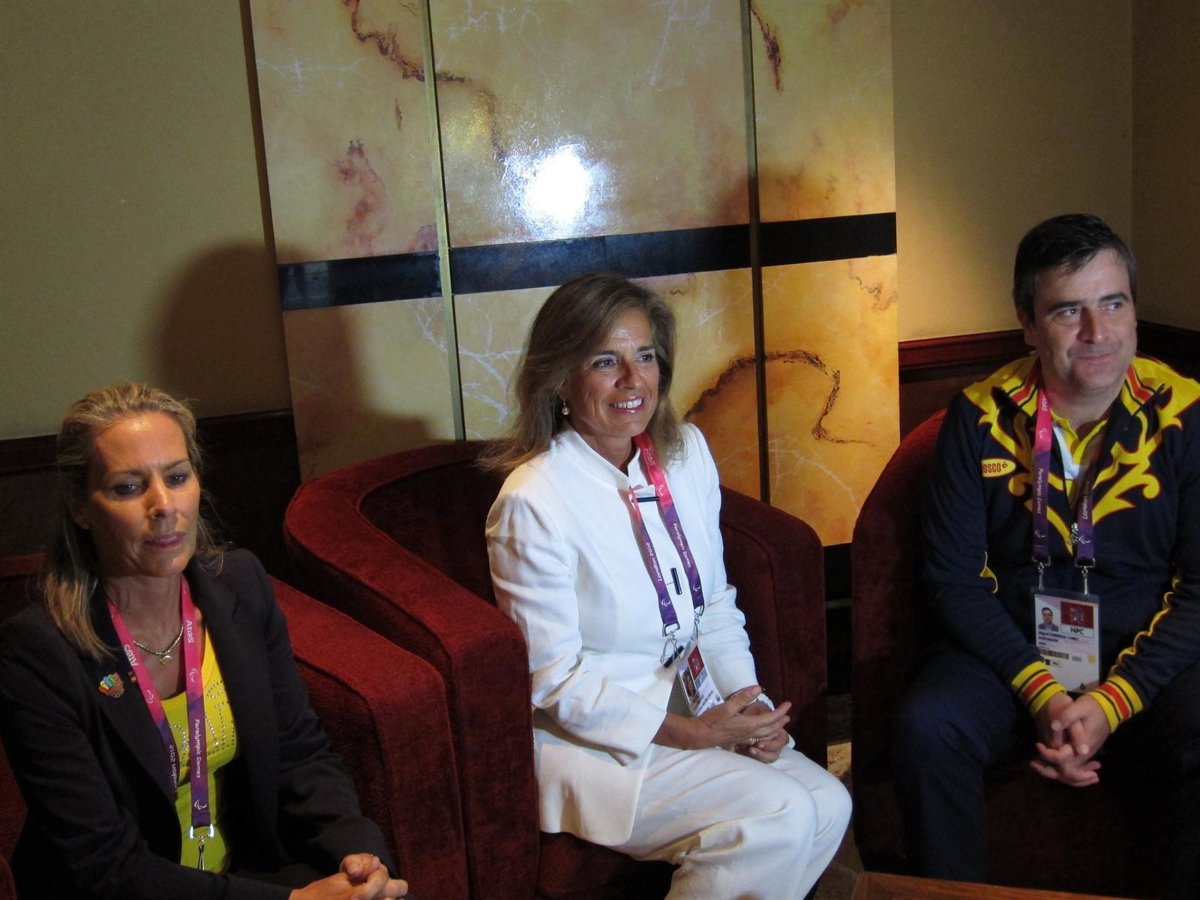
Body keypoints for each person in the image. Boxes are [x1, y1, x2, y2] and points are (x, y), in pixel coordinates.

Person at [483, 274, 850, 899]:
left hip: (693, 705)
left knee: (830, 803)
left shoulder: (685, 453)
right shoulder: (533, 500)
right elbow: (553, 681)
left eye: (646, 356)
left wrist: (746, 704)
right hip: (595, 743)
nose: (634, 380)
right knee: (781, 814)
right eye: (606, 361)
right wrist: (690, 733)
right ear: (561, 378)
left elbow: (714, 604)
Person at [0, 383, 409, 900]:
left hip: (251, 873)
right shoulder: (36, 651)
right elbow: (103, 864)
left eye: (177, 477)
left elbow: (300, 753)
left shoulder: (241, 584)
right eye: (128, 487)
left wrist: (358, 855)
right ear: (81, 506)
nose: (163, 505)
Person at [892, 214, 1200, 897]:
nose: (1098, 332)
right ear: (1028, 324)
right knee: (929, 726)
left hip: (1147, 663)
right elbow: (953, 580)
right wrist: (1042, 693)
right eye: (1068, 311)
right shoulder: (978, 417)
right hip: (1009, 656)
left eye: (1113, 303)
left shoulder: (1186, 415)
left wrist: (1114, 702)